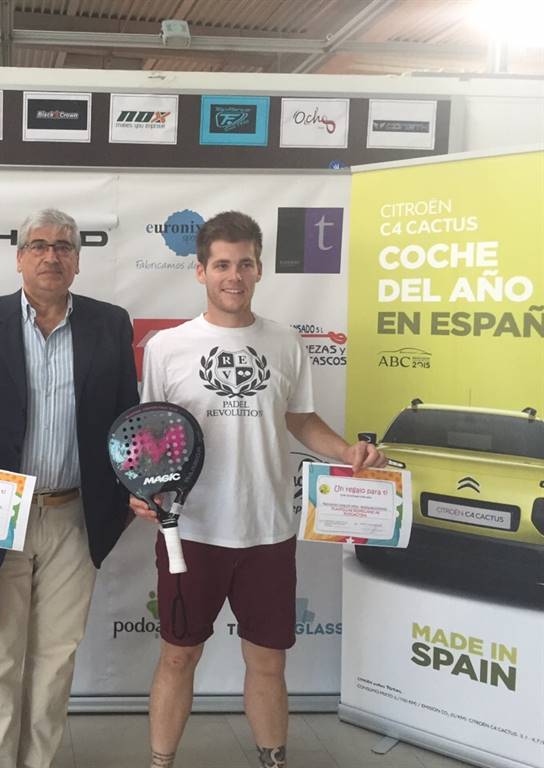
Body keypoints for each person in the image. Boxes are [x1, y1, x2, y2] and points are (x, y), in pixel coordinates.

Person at [134, 211, 385, 768]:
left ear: (260, 269)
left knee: (269, 663)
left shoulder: (286, 342)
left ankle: (274, 760)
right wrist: (144, 489)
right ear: (200, 270)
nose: (234, 276)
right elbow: (153, 434)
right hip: (191, 531)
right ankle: (160, 763)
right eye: (222, 264)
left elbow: (301, 419)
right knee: (177, 657)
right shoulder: (167, 347)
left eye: (245, 264)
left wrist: (346, 452)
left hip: (268, 531)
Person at [0, 208, 139, 768]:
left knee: (56, 658)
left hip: (76, 516)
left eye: (63, 247)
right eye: (39, 246)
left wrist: (127, 497)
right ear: (19, 257)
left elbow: (126, 418)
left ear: (78, 261)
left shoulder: (110, 323)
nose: (51, 256)